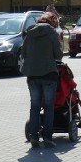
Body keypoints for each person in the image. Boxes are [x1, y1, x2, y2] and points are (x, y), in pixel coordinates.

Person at [21, 12, 63, 148]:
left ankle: (33, 136)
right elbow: (58, 55)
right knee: (49, 107)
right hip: (49, 74)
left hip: (32, 75)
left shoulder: (30, 34)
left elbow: (23, 53)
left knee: (34, 106)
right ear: (52, 22)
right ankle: (47, 138)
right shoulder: (52, 34)